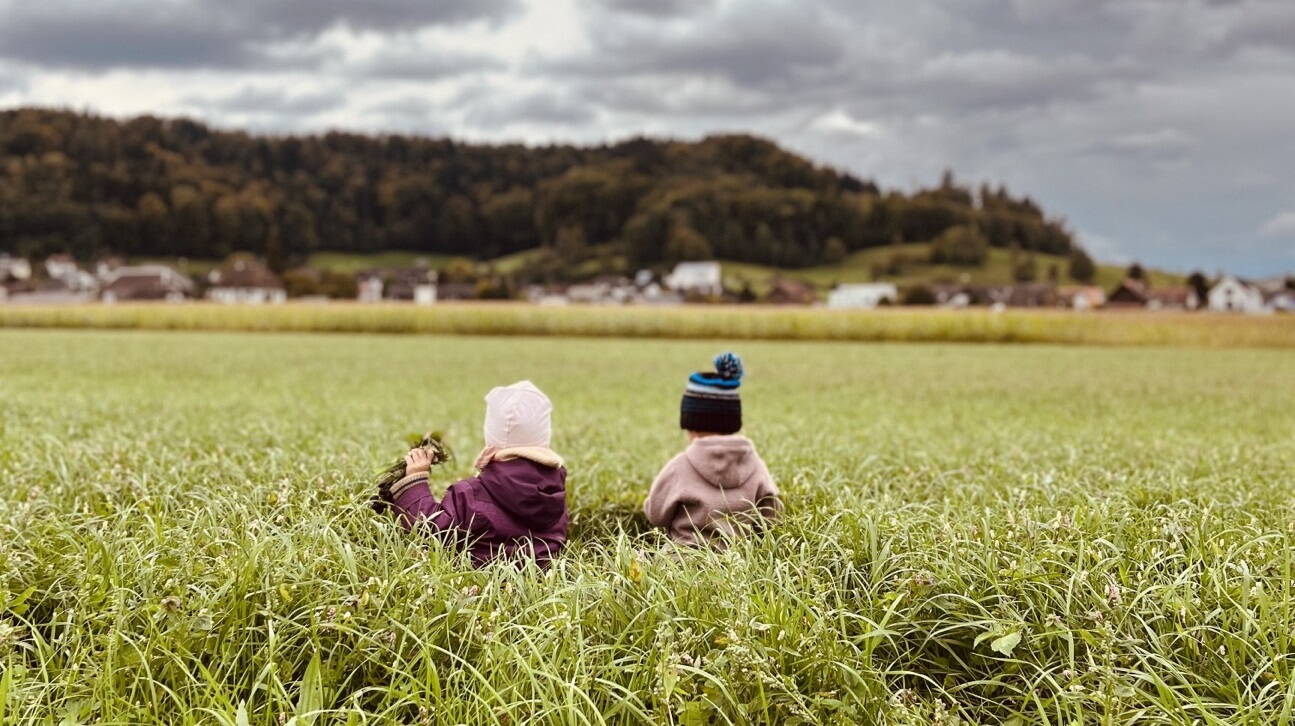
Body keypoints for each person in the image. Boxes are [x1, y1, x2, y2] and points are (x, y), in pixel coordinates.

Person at [384, 380, 568, 567]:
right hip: (541, 576)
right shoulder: (554, 492)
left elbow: (429, 530)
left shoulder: (469, 494)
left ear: (492, 438)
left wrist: (414, 480)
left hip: (485, 581)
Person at [643, 353, 781, 547]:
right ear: (732, 423)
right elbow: (771, 516)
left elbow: (655, 515)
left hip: (682, 559)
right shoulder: (756, 466)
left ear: (692, 425)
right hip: (738, 559)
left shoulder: (680, 466)